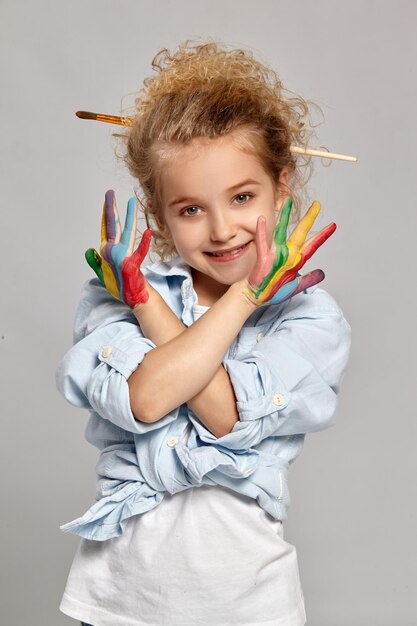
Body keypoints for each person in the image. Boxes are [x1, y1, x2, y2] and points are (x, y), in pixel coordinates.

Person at [56, 41, 351, 626]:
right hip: (116, 601)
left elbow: (224, 414)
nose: (221, 229)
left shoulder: (313, 318)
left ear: (281, 188)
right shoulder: (115, 290)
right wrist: (139, 294)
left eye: (242, 197)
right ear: (160, 215)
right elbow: (146, 396)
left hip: (249, 604)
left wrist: (241, 297)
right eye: (190, 209)